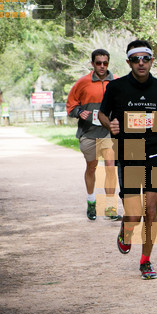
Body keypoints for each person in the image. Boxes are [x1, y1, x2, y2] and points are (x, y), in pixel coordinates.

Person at [98, 40, 157, 280]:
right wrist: (108, 124)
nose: (141, 63)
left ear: (152, 61)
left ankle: (146, 261)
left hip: (153, 151)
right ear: (129, 62)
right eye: (136, 59)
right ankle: (126, 228)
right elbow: (102, 113)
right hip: (129, 151)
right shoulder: (116, 87)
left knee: (150, 211)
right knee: (134, 214)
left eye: (145, 58)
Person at [66, 48, 120, 221]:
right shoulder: (82, 83)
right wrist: (79, 112)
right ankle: (91, 201)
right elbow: (71, 105)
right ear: (92, 64)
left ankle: (111, 207)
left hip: (109, 133)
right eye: (99, 63)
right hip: (88, 132)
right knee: (92, 167)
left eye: (105, 63)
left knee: (111, 167)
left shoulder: (117, 82)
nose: (102, 66)